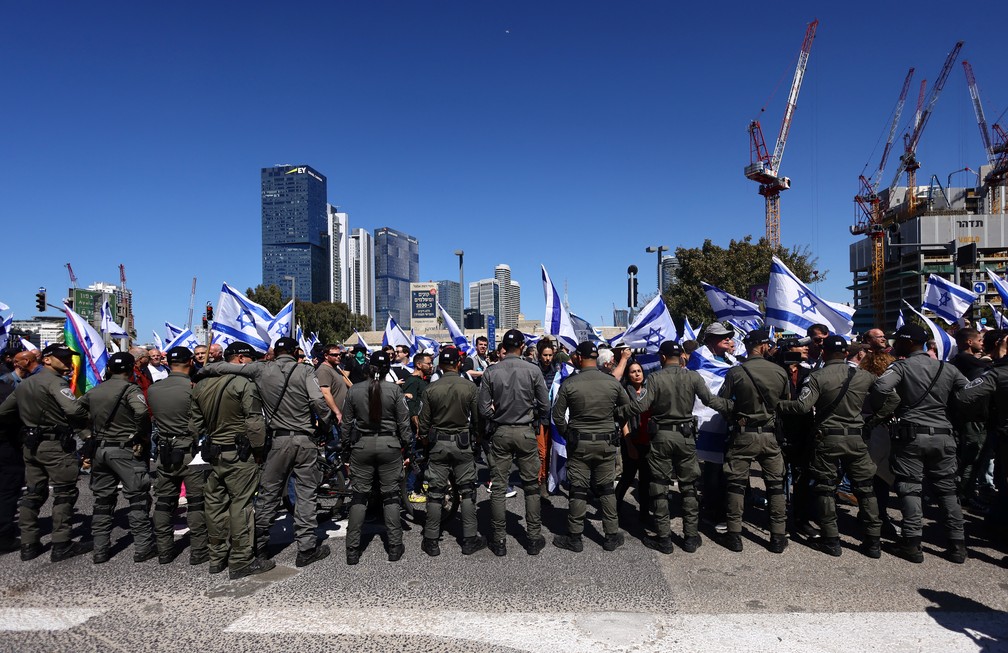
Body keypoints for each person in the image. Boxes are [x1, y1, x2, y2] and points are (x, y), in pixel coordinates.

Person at [211, 336, 332, 567]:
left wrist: (205, 370)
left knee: (269, 493)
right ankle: (306, 549)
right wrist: (325, 425)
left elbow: (223, 366)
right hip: (304, 439)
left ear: (275, 352)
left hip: (277, 440)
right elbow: (318, 401)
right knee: (306, 493)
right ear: (295, 351)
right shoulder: (304, 370)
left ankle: (259, 547)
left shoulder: (260, 369)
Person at [869, 323, 980, 564]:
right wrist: (951, 410)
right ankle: (958, 545)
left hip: (911, 435)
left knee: (910, 487)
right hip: (943, 434)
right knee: (948, 489)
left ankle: (912, 544)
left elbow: (880, 387)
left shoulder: (901, 366)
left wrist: (887, 409)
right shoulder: (946, 368)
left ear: (908, 343)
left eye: (898, 340)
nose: (894, 344)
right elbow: (969, 392)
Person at [777, 336, 882, 558]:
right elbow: (892, 397)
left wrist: (779, 404)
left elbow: (803, 406)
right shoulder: (864, 376)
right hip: (856, 437)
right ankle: (873, 541)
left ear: (823, 353)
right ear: (846, 353)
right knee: (865, 487)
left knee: (825, 487)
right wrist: (873, 420)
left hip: (828, 438)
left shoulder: (817, 376)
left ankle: (831, 539)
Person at [627, 341, 731, 554]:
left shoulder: (655, 378)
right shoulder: (693, 377)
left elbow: (641, 406)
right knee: (689, 487)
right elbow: (711, 400)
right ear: (681, 356)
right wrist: (733, 408)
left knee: (659, 486)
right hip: (685, 437)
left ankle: (664, 539)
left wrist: (618, 409)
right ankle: (691, 537)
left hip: (662, 437)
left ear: (662, 358)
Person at [0, 344, 92, 562]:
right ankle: (61, 543)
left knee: (33, 493)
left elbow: (4, 412)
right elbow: (72, 410)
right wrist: (87, 417)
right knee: (65, 492)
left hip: (31, 445)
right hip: (54, 446)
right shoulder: (55, 382)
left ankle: (29, 544)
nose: (68, 361)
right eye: (62, 358)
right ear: (47, 360)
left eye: (69, 357)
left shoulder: (25, 384)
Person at [192, 341, 274, 579]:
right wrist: (259, 450)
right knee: (242, 504)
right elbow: (254, 421)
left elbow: (194, 425)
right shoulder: (243, 383)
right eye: (250, 360)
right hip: (239, 454)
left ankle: (217, 557)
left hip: (213, 452)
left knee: (215, 504)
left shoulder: (201, 384)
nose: (252, 364)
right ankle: (241, 560)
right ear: (239, 359)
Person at [552, 341, 632, 552]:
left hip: (580, 443)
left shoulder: (570, 383)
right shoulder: (611, 382)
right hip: (606, 442)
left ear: (578, 357)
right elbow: (627, 407)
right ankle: (611, 535)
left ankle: (575, 537)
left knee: (578, 489)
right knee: (606, 489)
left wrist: (567, 434)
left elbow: (557, 415)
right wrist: (613, 421)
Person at [79, 352, 156, 564]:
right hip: (125, 450)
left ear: (110, 369)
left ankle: (100, 549)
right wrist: (139, 434)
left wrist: (86, 435)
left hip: (100, 450)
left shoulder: (95, 390)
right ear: (132, 369)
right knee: (138, 499)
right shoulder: (131, 389)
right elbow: (141, 411)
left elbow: (74, 412)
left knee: (103, 501)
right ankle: (143, 547)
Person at [716, 329, 789, 553]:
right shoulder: (779, 371)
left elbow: (723, 401)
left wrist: (735, 416)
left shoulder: (736, 372)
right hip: (769, 435)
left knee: (736, 485)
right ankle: (777, 536)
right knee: (775, 486)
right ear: (764, 346)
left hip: (743, 433)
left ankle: (735, 534)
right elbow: (786, 403)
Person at [479, 329, 550, 556]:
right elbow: (545, 405)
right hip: (525, 431)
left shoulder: (491, 371)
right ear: (521, 347)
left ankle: (499, 540)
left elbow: (482, 408)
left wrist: (496, 417)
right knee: (530, 486)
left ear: (504, 347)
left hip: (501, 431)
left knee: (498, 488)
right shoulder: (533, 369)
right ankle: (533, 537)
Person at [342, 350, 411, 564]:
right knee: (390, 496)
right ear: (387, 369)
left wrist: (346, 451)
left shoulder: (354, 390)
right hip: (389, 445)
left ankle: (352, 551)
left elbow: (345, 425)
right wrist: (407, 448)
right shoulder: (394, 390)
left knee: (359, 497)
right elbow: (404, 424)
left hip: (362, 445)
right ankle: (394, 546)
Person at [417, 347, 486, 556]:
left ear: (439, 365)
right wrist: (477, 438)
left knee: (435, 493)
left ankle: (431, 540)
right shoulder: (470, 387)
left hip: (438, 443)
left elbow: (423, 423)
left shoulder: (431, 388)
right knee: (467, 491)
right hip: (462, 443)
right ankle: (469, 539)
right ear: (458, 364)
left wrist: (425, 441)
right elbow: (477, 419)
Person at [146, 347, 208, 565]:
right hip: (189, 449)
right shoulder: (193, 389)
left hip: (165, 448)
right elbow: (200, 420)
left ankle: (164, 549)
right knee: (196, 501)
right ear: (190, 362)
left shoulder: (154, 389)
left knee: (164, 501)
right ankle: (199, 550)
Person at [773, 337, 816, 539]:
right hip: (778, 432)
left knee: (802, 479)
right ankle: (778, 521)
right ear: (789, 349)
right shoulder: (775, 371)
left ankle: (801, 520)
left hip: (803, 432)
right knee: (777, 479)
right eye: (801, 346)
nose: (806, 348)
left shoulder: (809, 373)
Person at [949, 327, 991, 508]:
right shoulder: (967, 361)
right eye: (980, 340)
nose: (982, 343)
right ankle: (963, 494)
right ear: (969, 342)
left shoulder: (961, 361)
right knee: (972, 457)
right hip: (972, 418)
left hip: (970, 416)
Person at [615, 360, 651, 526]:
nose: (637, 374)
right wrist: (629, 444)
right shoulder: (624, 393)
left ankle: (644, 514)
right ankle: (614, 510)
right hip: (631, 439)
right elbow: (623, 420)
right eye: (633, 372)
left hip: (647, 441)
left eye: (639, 371)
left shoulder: (649, 392)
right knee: (628, 477)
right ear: (628, 376)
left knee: (645, 480)